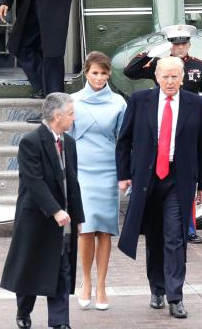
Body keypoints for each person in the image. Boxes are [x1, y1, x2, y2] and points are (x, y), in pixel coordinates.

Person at [116, 57, 202, 319]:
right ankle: (156, 288)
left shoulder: (196, 103)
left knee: (174, 236)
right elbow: (124, 141)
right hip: (147, 179)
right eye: (165, 77)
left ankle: (175, 295)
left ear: (182, 78)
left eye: (174, 77)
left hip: (178, 179)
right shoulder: (139, 101)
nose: (170, 82)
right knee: (154, 236)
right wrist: (123, 175)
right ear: (156, 77)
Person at [124, 23, 202, 244]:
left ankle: (190, 228)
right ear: (170, 45)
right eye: (175, 43)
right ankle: (157, 225)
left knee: (188, 181)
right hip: (162, 127)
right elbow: (130, 71)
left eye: (183, 43)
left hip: (187, 129)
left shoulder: (200, 67)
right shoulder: (158, 64)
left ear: (189, 44)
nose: (180, 47)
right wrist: (151, 51)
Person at [1, 93, 85, 329]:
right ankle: (23, 310)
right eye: (71, 113)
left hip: (63, 218)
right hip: (36, 217)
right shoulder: (31, 142)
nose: (74, 117)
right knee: (31, 266)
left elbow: (73, 182)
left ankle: (59, 322)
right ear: (57, 116)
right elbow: (33, 181)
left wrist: (77, 215)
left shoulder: (69, 143)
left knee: (62, 267)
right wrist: (55, 210)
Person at [69, 51, 126, 311]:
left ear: (109, 74)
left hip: (108, 170)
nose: (99, 78)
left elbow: (124, 142)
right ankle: (86, 282)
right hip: (82, 171)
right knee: (85, 228)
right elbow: (66, 140)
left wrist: (126, 175)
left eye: (104, 73)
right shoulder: (72, 101)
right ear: (86, 73)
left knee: (105, 230)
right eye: (95, 73)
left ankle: (102, 285)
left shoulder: (119, 103)